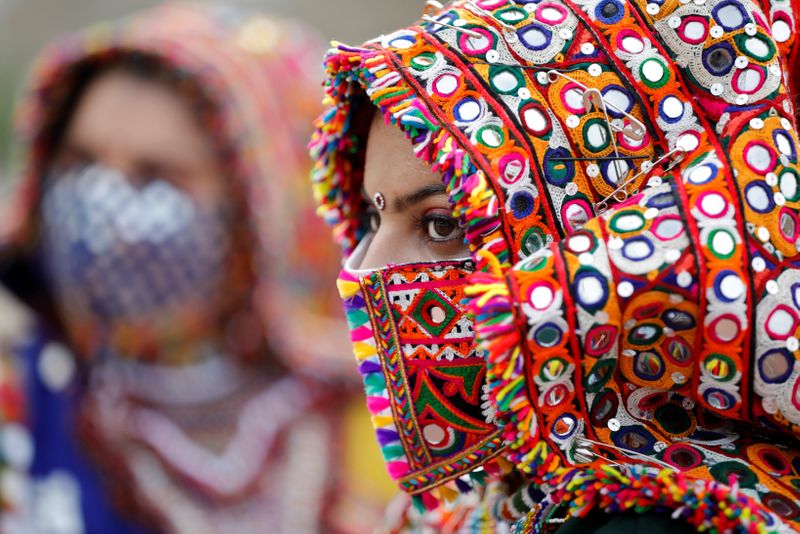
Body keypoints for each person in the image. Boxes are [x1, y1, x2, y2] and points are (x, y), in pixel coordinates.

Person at [310, 0, 800, 531]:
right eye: (374, 217)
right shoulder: (496, 497)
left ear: (596, 233)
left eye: (442, 225)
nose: (365, 269)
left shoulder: (662, 517)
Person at [0, 3, 389, 533]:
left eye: (157, 174)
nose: (103, 204)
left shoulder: (393, 432)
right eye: (80, 162)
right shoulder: (21, 406)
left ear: (267, 207)